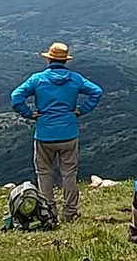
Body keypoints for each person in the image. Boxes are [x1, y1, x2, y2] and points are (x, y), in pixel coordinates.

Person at [10, 42, 103, 223]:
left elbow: (16, 97)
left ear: (49, 59)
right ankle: (71, 212)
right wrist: (82, 110)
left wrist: (29, 114)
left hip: (44, 134)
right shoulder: (75, 79)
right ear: (65, 61)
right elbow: (96, 92)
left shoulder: (38, 79)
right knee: (69, 173)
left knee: (45, 174)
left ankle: (48, 212)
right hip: (69, 132)